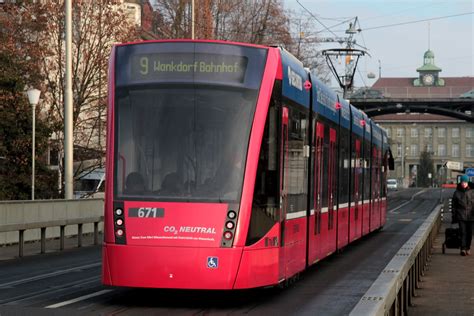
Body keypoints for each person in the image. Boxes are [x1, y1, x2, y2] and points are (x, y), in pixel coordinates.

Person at [452, 174, 474, 256]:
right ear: (460, 183)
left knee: (470, 233)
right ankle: (463, 249)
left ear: (467, 182)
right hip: (461, 216)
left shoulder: (472, 192)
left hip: (471, 216)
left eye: (465, 182)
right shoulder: (457, 193)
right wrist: (454, 216)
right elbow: (454, 206)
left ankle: (468, 248)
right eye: (462, 182)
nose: (463, 183)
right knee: (463, 232)